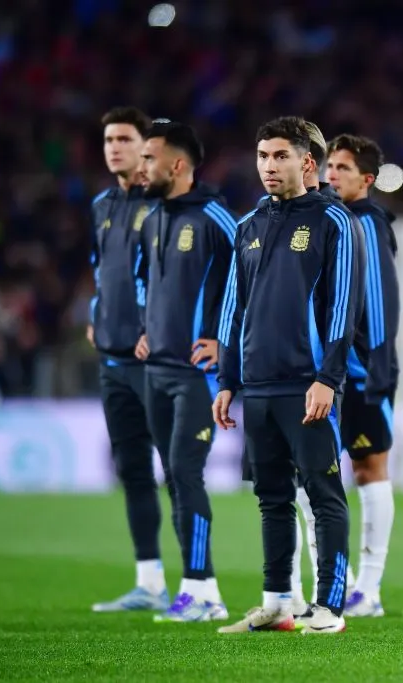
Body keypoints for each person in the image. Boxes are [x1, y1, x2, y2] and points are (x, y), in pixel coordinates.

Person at [214, 116, 364, 635]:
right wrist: (227, 380)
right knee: (271, 497)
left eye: (280, 156)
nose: (269, 166)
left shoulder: (334, 220)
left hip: (308, 384)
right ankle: (278, 602)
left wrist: (328, 377)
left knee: (324, 494)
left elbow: (344, 307)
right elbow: (233, 308)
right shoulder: (248, 225)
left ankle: (330, 606)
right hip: (257, 384)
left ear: (307, 162)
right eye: (262, 156)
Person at [135, 120, 236, 622]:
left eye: (149, 157)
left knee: (185, 471)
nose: (141, 166)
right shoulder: (152, 218)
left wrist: (223, 339)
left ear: (177, 165)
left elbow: (251, 279)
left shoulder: (216, 217)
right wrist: (146, 325)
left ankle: (202, 592)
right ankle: (201, 587)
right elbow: (144, 280)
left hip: (198, 374)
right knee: (174, 478)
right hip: (157, 369)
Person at [88, 107, 168, 614]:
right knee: (134, 472)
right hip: (112, 360)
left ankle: (201, 584)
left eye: (124, 139)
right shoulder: (101, 205)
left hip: (155, 362)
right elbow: (101, 269)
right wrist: (96, 314)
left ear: (146, 147)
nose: (114, 148)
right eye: (109, 140)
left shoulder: (162, 204)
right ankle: (149, 581)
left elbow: (174, 276)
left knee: (179, 473)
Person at [325, 133, 401, 618]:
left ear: (367, 179)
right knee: (317, 473)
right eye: (329, 166)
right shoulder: (331, 220)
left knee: (369, 469)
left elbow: (378, 299)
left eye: (343, 168)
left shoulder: (367, 223)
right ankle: (341, 582)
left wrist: (378, 367)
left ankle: (368, 589)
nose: (331, 175)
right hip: (326, 373)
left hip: (359, 372)